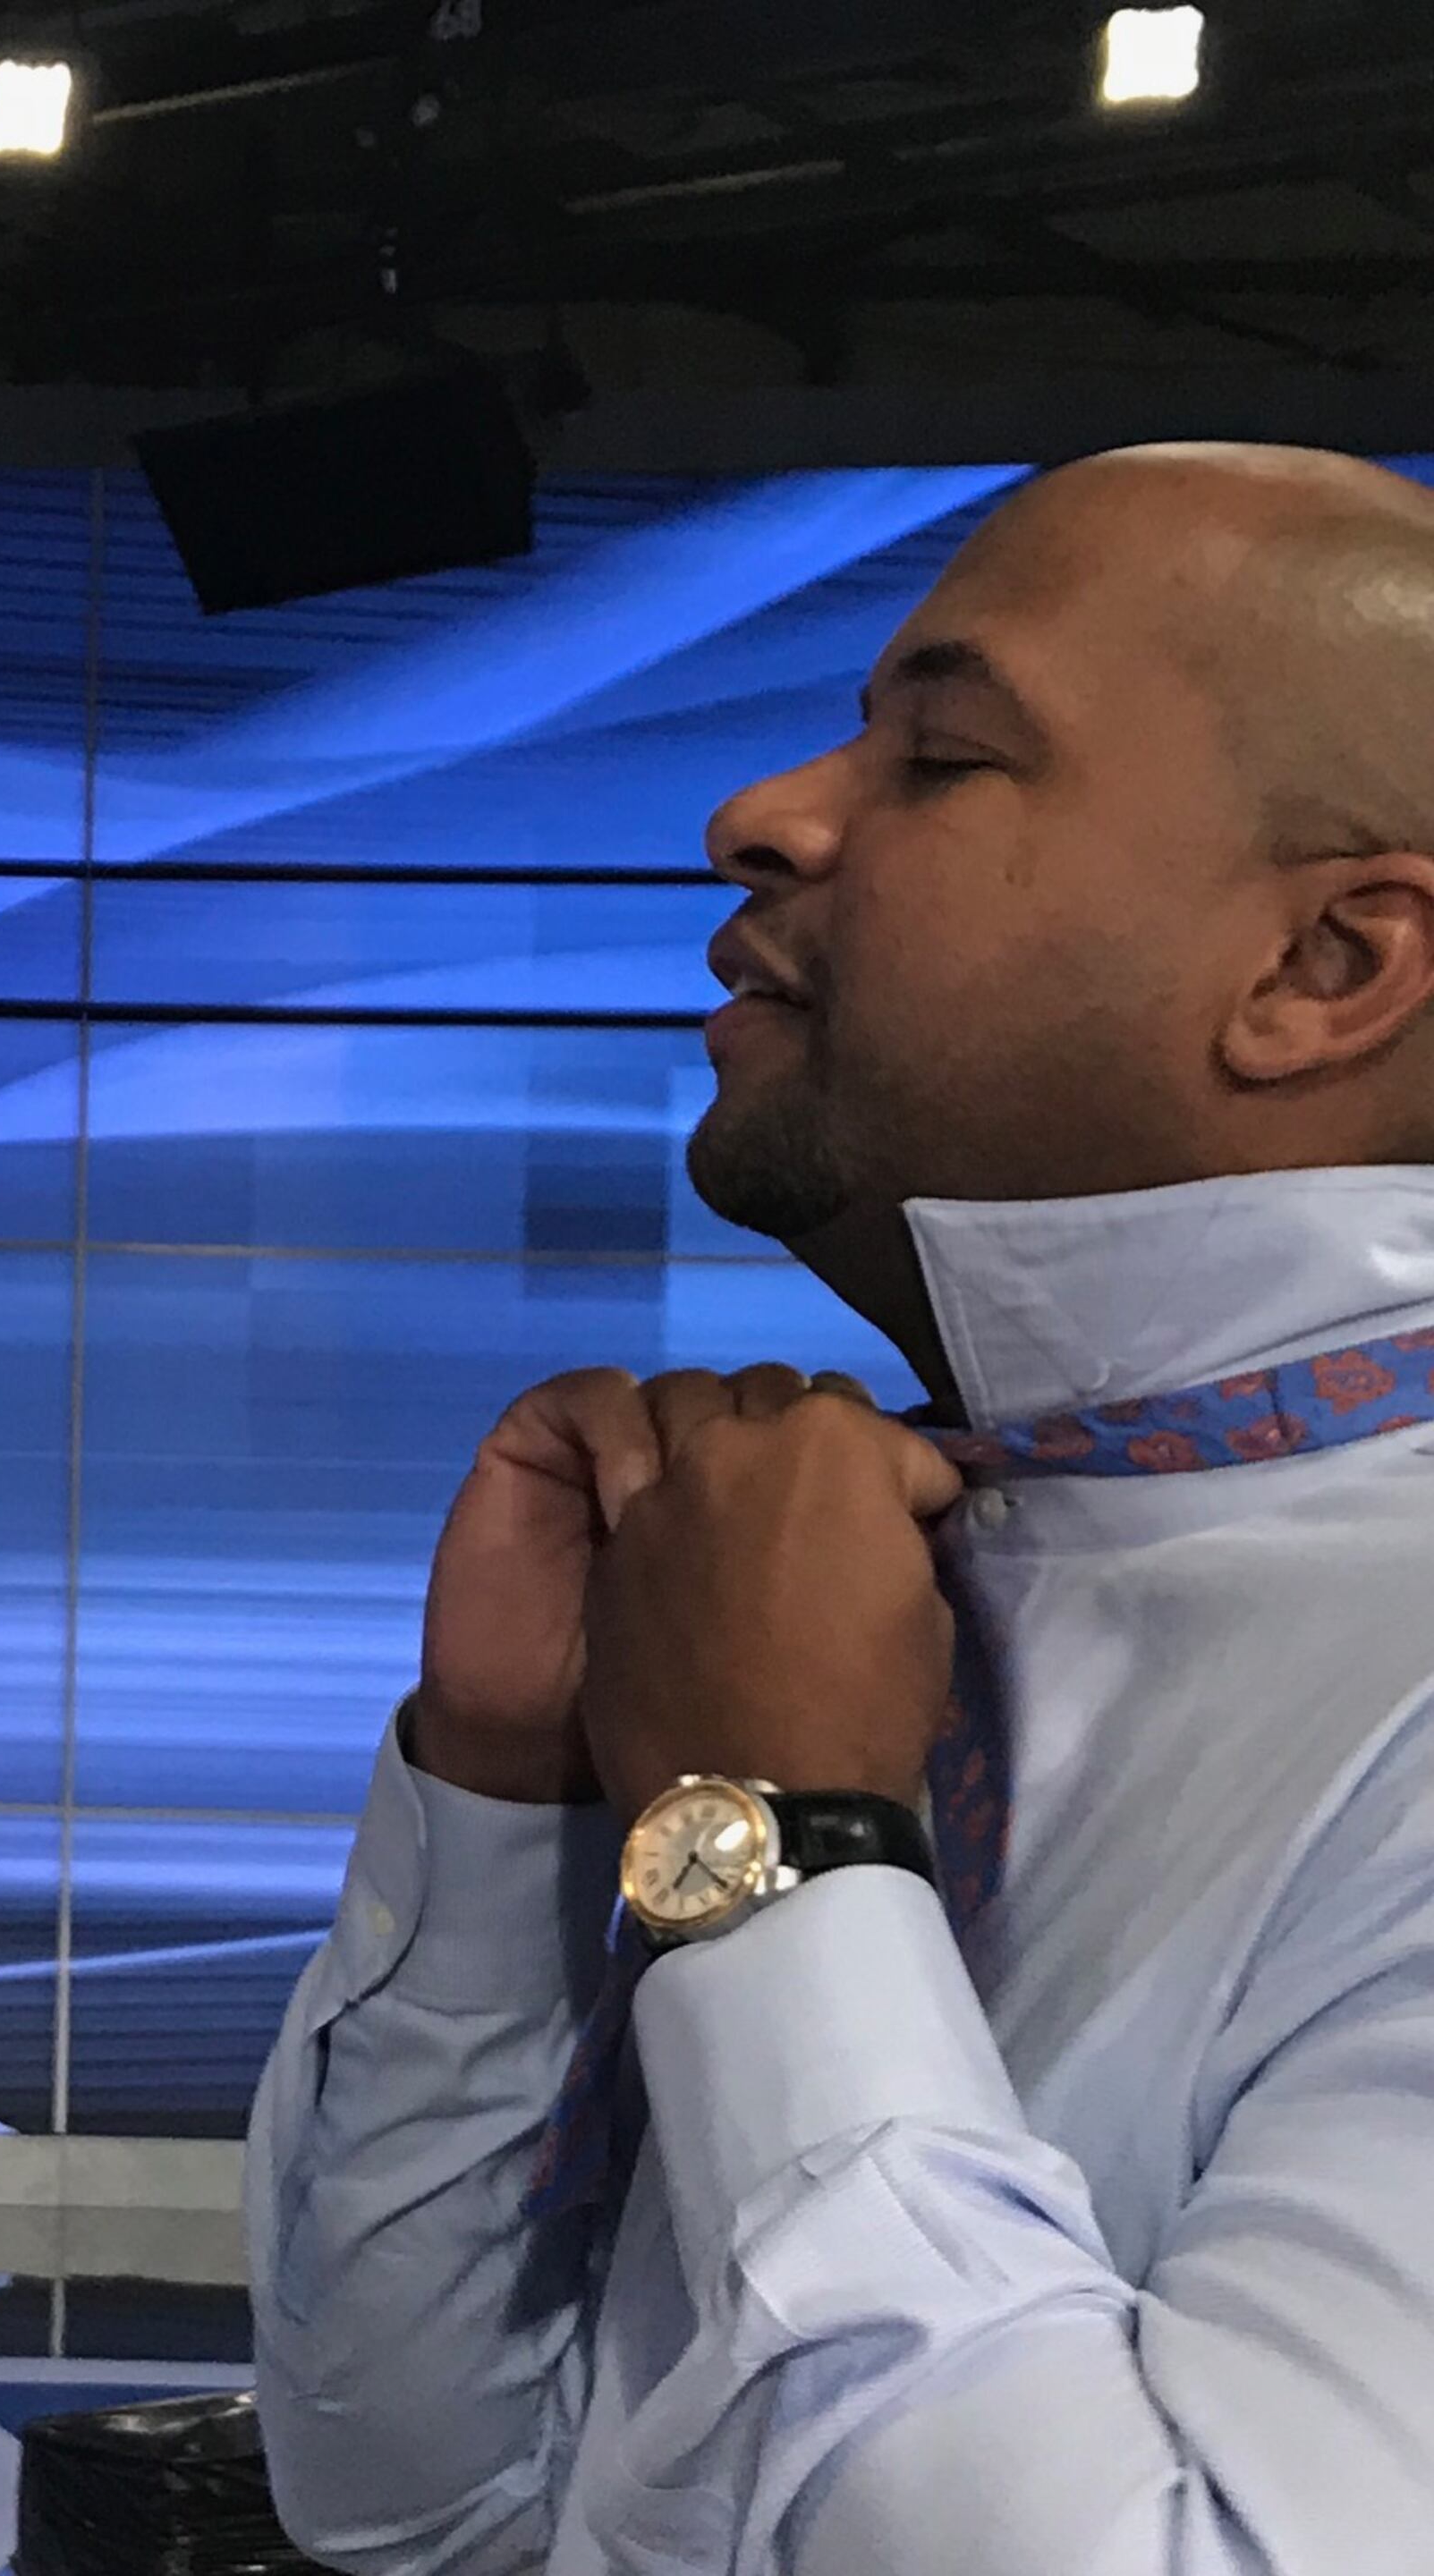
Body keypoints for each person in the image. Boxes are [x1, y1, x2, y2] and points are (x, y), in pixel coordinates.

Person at [250, 441, 1434, 2573]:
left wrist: (769, 1841)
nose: (767, 811)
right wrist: (514, 1803)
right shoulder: (879, 1555)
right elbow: (416, 2509)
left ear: (1328, 971)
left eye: (947, 756)